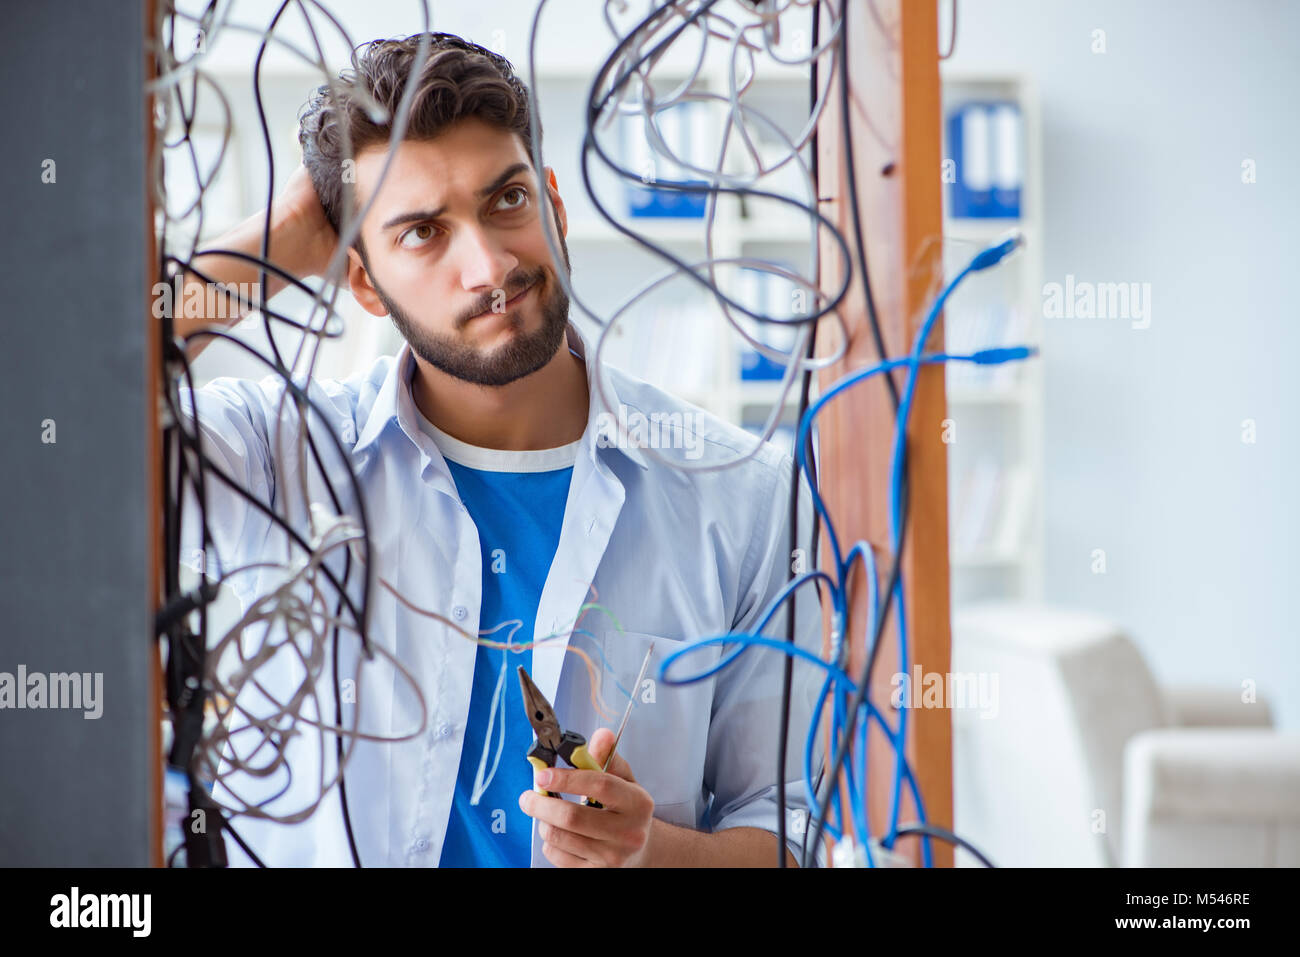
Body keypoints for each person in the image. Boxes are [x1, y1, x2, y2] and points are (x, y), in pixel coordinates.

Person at [175, 31, 822, 868]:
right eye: (420, 232)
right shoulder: (277, 453)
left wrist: (648, 850)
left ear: (552, 205)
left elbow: (796, 828)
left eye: (506, 201)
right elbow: (54, 406)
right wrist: (285, 239)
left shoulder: (743, 491)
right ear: (362, 280)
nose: (489, 264)